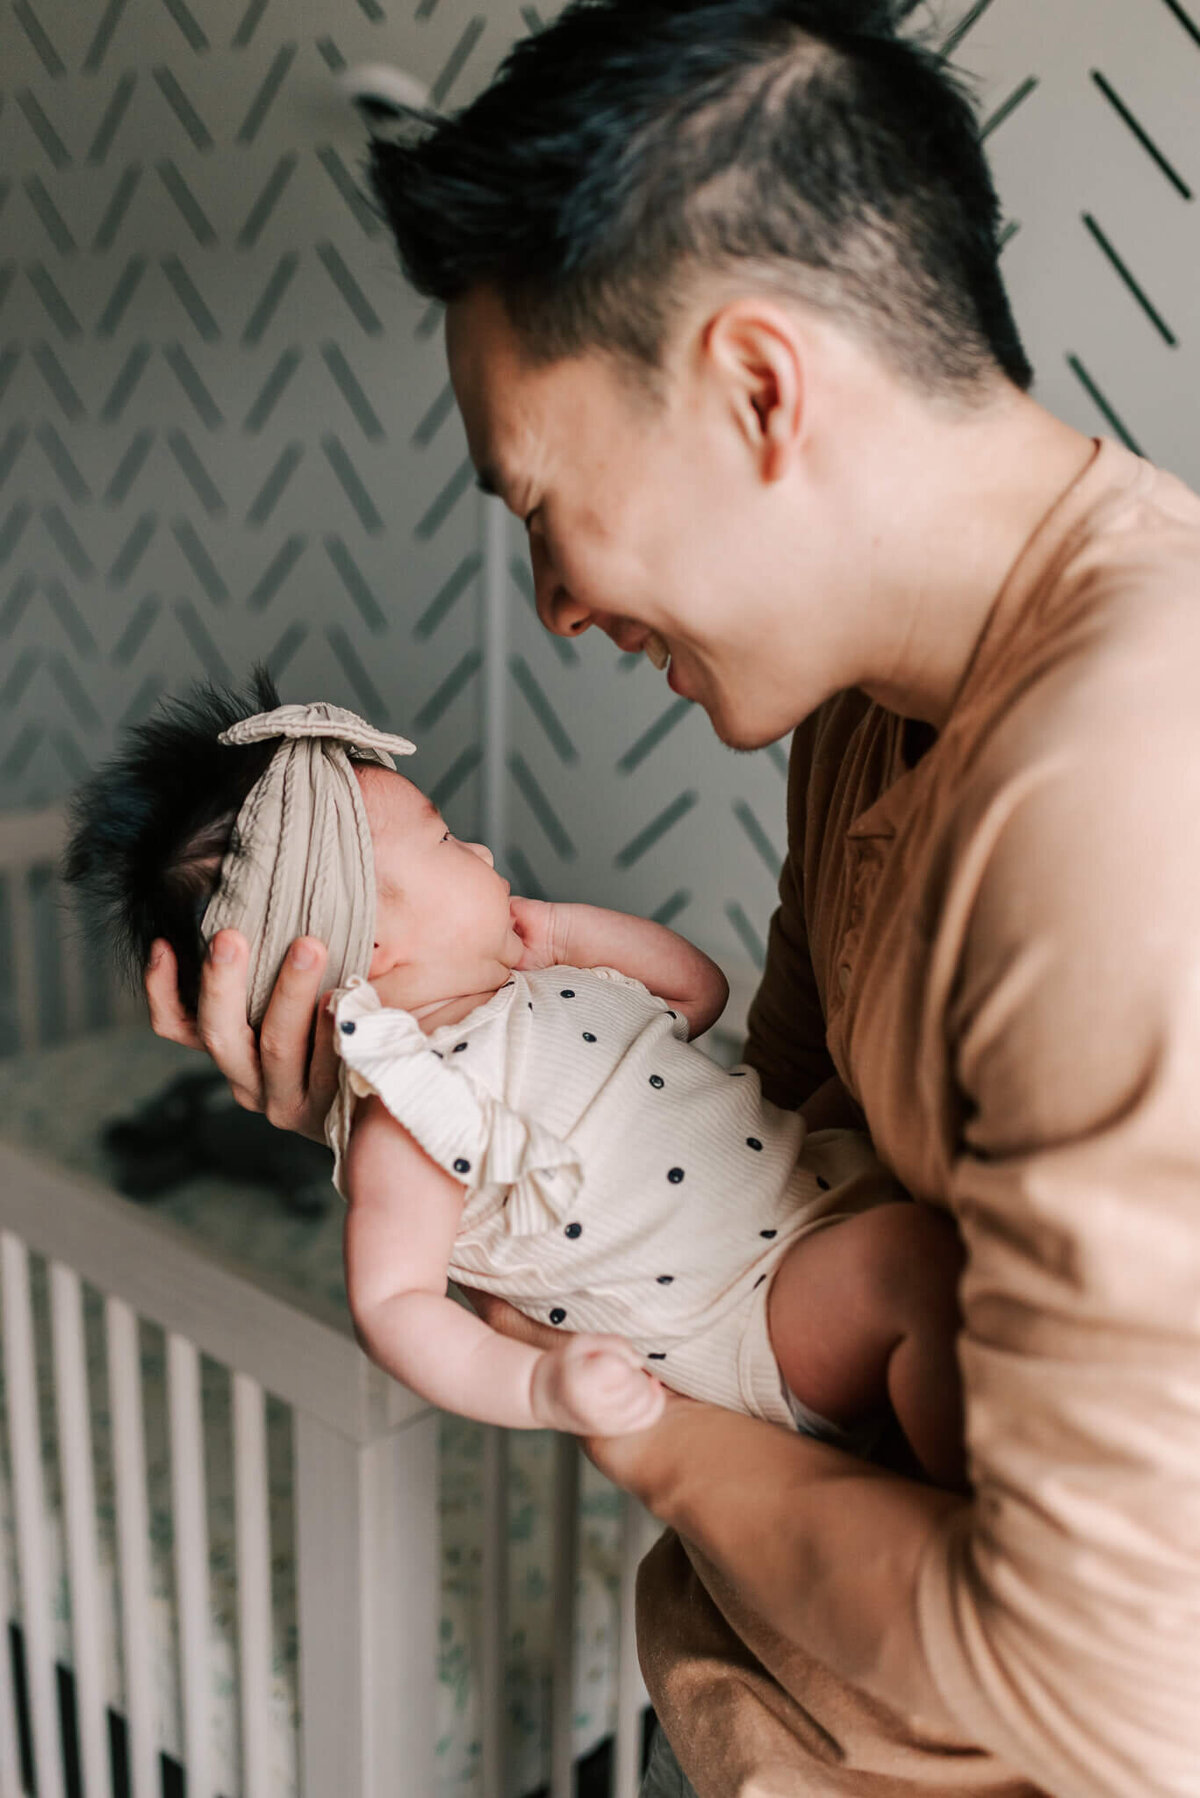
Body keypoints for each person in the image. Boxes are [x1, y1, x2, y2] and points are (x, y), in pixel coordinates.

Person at [144, 2, 1200, 1793]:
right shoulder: (881, 707)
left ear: (759, 388)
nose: (554, 601)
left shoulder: (1124, 785)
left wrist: (642, 1438)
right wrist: (397, 1110)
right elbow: (776, 1128)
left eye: (542, 507)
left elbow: (1117, 1694)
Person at [66, 679, 967, 1480]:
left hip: (820, 1193)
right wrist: (540, 1384)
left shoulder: (536, 990)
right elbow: (394, 1304)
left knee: (964, 1230)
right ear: (375, 946)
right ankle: (976, 1525)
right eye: (448, 837)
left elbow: (700, 994)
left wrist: (570, 933)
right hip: (752, 1314)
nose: (487, 853)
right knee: (919, 1273)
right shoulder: (418, 1108)